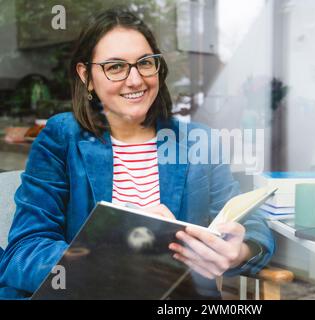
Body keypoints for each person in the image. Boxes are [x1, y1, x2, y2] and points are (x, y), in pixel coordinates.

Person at [0, 7, 274, 299]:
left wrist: (240, 251)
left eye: (145, 63)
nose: (135, 80)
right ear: (86, 76)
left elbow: (250, 223)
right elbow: (24, 250)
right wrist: (115, 253)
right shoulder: (60, 137)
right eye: (115, 67)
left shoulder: (199, 141)